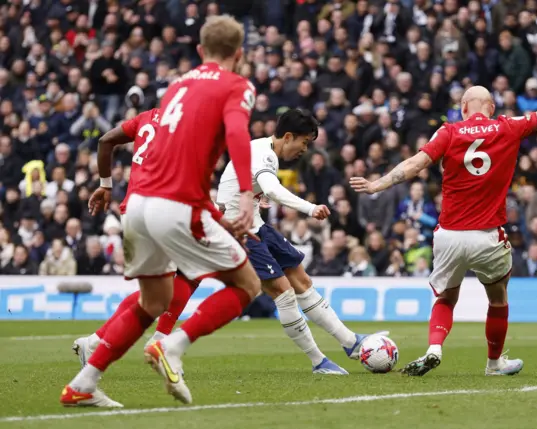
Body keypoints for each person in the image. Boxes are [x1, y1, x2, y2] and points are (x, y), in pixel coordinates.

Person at [351, 41, 537, 377]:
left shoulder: (449, 132)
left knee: (445, 300)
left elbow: (416, 164)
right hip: (487, 236)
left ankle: (434, 348)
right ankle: (494, 364)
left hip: (449, 235)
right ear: (492, 107)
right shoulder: (508, 127)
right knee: (497, 299)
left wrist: (378, 184)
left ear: (464, 107)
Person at [60, 15, 261, 407]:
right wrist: (247, 195)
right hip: (178, 205)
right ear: (239, 54)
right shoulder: (237, 85)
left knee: (152, 302)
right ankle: (172, 345)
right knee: (247, 286)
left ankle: (83, 383)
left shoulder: (177, 86)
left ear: (201, 51)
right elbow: (237, 134)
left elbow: (163, 154)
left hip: (137, 205)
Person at [217, 108, 385, 374]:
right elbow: (271, 188)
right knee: (284, 294)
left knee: (302, 282)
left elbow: (251, 188)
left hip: (255, 226)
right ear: (287, 136)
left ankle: (350, 342)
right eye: (304, 142)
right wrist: (310, 208)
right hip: (237, 232)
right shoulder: (265, 154)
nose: (305, 149)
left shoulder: (261, 148)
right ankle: (319, 361)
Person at [70, 108, 198, 376]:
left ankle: (93, 344)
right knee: (188, 273)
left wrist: (105, 185)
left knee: (157, 292)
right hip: (160, 209)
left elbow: (105, 140)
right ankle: (158, 341)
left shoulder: (146, 117)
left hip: (133, 210)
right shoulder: (187, 123)